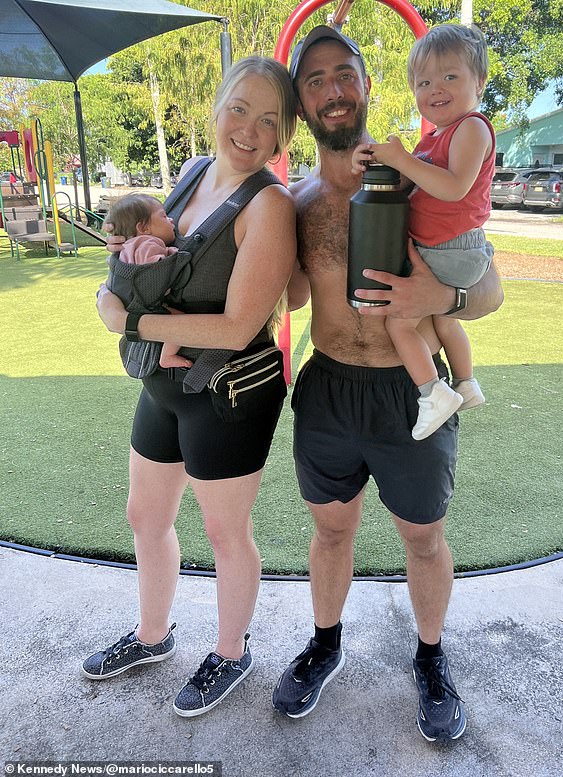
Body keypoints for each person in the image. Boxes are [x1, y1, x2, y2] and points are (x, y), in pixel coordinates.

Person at [272, 26, 503, 742]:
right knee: (331, 528)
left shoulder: (419, 173)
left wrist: (439, 298)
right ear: (301, 102)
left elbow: (489, 288)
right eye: (315, 80)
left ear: (368, 86)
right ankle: (325, 644)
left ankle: (431, 658)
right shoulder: (294, 200)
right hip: (329, 389)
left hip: (412, 390)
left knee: (424, 538)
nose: (333, 89)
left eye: (345, 73)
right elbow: (289, 295)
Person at [84, 55, 297, 718]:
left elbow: (238, 325)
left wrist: (131, 321)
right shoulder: (193, 172)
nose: (249, 130)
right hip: (163, 384)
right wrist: (110, 290)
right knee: (145, 516)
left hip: (229, 392)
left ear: (285, 133)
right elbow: (143, 256)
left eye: (270, 120)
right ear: (217, 108)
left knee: (225, 532)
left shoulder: (270, 206)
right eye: (240, 109)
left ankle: (232, 651)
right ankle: (153, 636)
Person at [351, 23, 494, 440]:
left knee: (399, 324)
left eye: (450, 76)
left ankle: (433, 392)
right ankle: (466, 383)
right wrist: (379, 162)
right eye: (424, 82)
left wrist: (403, 160)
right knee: (444, 321)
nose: (436, 88)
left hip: (448, 249)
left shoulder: (471, 127)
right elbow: (411, 184)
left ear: (479, 82)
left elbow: (453, 187)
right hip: (449, 249)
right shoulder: (435, 138)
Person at [105, 193, 192, 370]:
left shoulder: (129, 244)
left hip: (130, 300)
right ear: (143, 228)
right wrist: (172, 253)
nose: (172, 220)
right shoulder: (148, 244)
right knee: (180, 322)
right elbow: (154, 269)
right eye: (164, 216)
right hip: (142, 303)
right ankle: (167, 356)